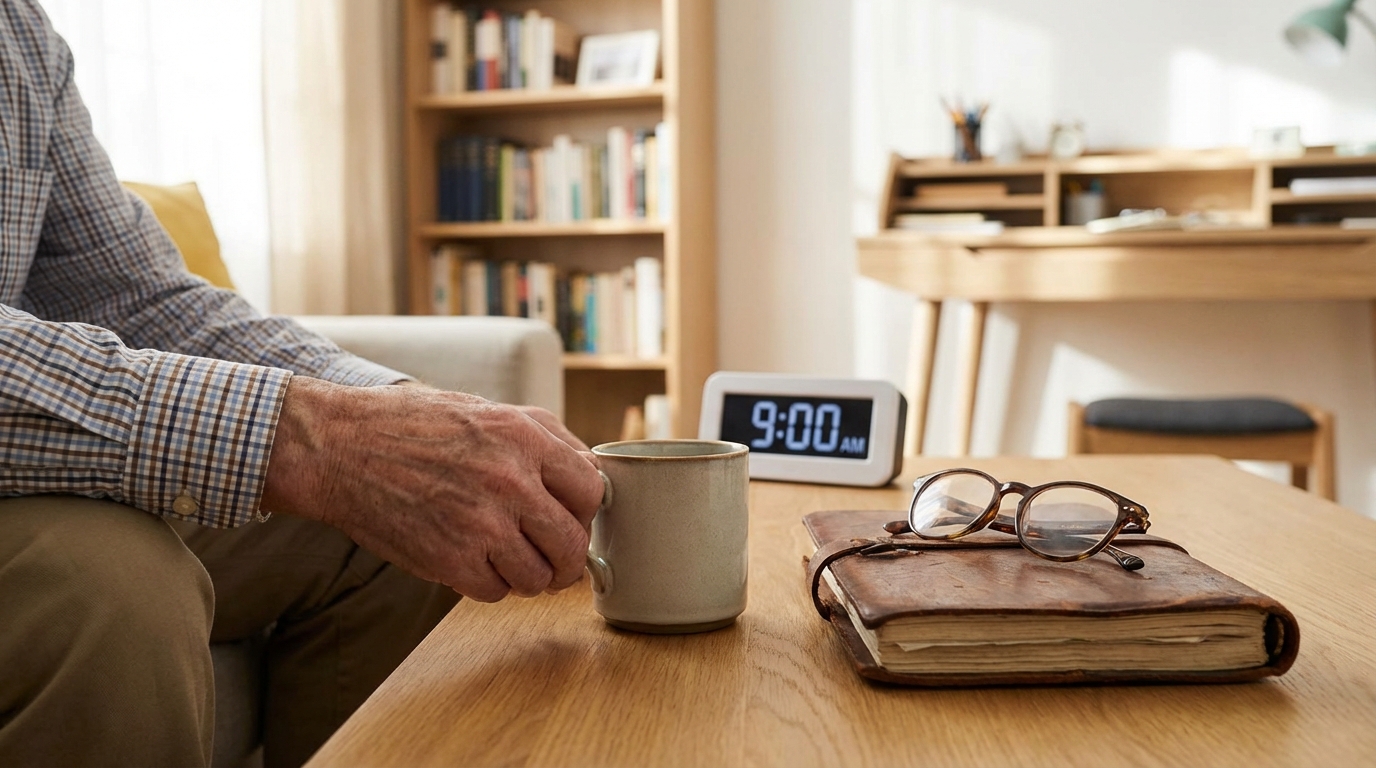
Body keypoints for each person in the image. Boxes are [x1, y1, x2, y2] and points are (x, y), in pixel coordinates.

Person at [0, 2, 604, 766]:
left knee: (392, 516)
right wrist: (310, 440)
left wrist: (403, 419)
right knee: (108, 588)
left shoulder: (18, 32)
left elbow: (137, 298)